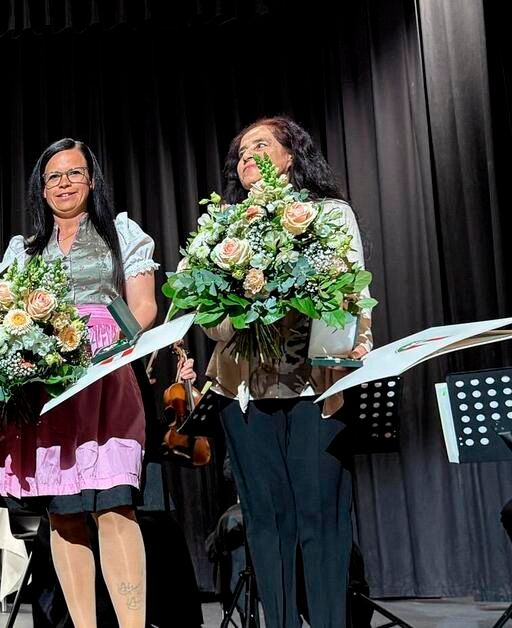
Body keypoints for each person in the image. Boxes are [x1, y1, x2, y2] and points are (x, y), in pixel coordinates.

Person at [199, 115, 373, 628]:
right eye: (240, 150)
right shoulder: (223, 228)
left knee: (321, 518)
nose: (246, 154)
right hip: (246, 396)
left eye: (260, 144)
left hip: (316, 390)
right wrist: (246, 303)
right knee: (267, 523)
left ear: (291, 155)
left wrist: (295, 292)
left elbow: (350, 298)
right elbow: (212, 326)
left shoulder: (330, 214)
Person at [0, 138, 159, 628]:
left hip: (108, 379)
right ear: (41, 190)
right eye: (54, 177)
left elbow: (145, 306)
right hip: (50, 389)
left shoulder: (121, 233)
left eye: (74, 174)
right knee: (64, 512)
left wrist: (113, 349)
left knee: (115, 506)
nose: (64, 184)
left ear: (91, 181)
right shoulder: (24, 251)